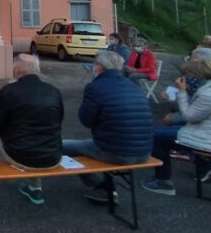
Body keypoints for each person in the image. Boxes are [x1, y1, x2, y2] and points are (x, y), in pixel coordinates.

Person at [0, 54, 63, 207]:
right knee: (38, 138)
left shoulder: (10, 91)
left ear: (17, 69)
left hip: (21, 155)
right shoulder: (54, 91)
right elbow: (59, 120)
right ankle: (35, 188)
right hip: (52, 156)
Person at [143, 59, 211, 196]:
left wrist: (182, 92)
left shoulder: (210, 94)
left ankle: (163, 181)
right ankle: (206, 164)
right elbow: (197, 113)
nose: (186, 78)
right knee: (167, 132)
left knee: (156, 137)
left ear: (198, 75)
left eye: (188, 75)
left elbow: (189, 116)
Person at [63, 50, 153, 203]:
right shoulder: (133, 85)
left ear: (98, 67)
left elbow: (86, 120)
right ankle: (105, 186)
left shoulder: (95, 87)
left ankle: (102, 186)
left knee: (65, 146)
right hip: (144, 152)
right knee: (98, 143)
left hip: (116, 153)